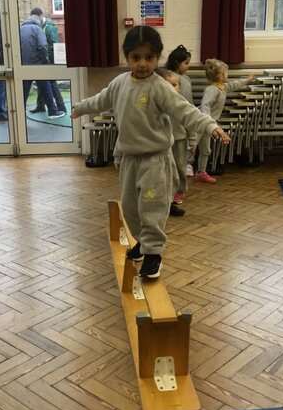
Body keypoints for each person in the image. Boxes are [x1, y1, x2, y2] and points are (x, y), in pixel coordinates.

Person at [71, 26, 230, 279]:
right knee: (131, 209)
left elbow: (186, 111)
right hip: (130, 158)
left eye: (149, 57)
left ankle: (154, 253)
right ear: (127, 57)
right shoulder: (120, 83)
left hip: (155, 160)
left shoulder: (160, 87)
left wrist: (211, 126)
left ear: (157, 58)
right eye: (136, 57)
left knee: (152, 207)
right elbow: (101, 100)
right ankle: (143, 243)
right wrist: (80, 107)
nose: (143, 63)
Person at [195, 59, 255, 183]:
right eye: (225, 72)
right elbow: (205, 105)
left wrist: (248, 79)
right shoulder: (211, 90)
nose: (227, 74)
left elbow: (235, 84)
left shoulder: (223, 88)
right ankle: (182, 170)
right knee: (191, 147)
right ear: (220, 76)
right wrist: (209, 122)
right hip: (200, 123)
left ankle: (201, 172)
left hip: (209, 125)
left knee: (206, 150)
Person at [155, 67, 194, 217]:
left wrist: (193, 139)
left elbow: (191, 121)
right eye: (168, 85)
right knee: (163, 172)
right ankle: (164, 201)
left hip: (179, 141)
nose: (171, 88)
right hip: (161, 145)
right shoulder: (157, 103)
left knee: (179, 169)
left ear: (180, 87)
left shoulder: (181, 104)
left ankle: (177, 193)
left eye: (174, 84)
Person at [20, 13, 65, 119]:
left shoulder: (20, 29)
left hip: (24, 65)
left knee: (24, 91)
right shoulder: (37, 29)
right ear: (38, 20)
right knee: (46, 87)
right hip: (38, 64)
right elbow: (42, 45)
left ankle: (20, 113)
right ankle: (53, 111)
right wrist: (45, 60)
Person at [165, 45, 196, 176]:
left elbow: (188, 100)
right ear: (177, 63)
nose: (188, 66)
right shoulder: (167, 76)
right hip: (172, 120)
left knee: (185, 142)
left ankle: (187, 163)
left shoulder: (186, 79)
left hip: (184, 115)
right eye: (186, 63)